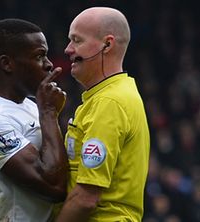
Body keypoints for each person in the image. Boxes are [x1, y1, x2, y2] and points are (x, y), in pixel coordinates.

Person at [0, 18, 68, 222]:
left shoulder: (30, 105)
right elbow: (54, 186)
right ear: (7, 63)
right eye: (39, 56)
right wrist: (49, 114)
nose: (49, 64)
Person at [54, 7, 150, 222]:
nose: (68, 49)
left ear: (107, 44)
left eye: (77, 40)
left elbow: (86, 198)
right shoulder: (110, 95)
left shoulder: (109, 103)